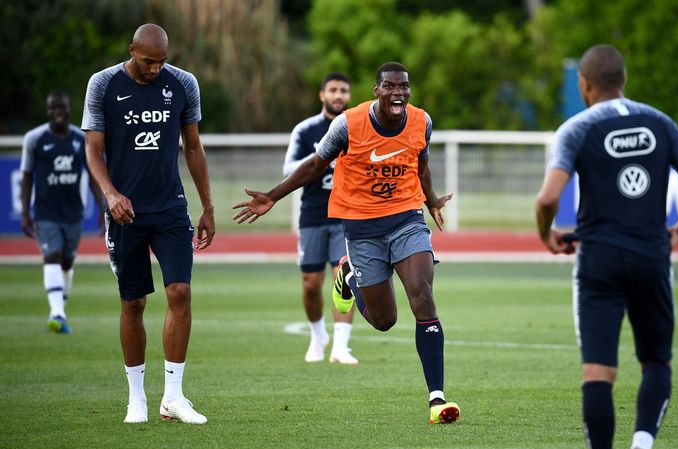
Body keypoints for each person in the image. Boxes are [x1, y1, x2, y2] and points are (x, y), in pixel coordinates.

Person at [234, 61, 460, 424]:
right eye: (389, 86)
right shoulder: (348, 124)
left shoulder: (423, 121)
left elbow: (421, 164)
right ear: (376, 90)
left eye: (403, 86)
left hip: (406, 219)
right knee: (384, 320)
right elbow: (313, 166)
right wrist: (273, 196)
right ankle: (349, 276)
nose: (397, 92)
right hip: (361, 226)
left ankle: (438, 399)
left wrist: (430, 199)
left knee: (423, 295)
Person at [535, 45, 678, 449]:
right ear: (625, 80)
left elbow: (547, 199)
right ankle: (641, 447)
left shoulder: (576, 128)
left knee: (599, 370)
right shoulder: (659, 122)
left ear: (584, 84)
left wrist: (547, 235)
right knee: (656, 362)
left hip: (598, 259)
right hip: (653, 255)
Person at [82, 23, 215, 424]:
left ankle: (173, 397)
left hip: (170, 208)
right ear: (131, 51)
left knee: (180, 292)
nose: (155, 69)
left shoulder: (183, 84)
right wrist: (111, 195)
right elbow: (92, 149)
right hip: (125, 212)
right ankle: (136, 398)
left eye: (162, 62)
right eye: (147, 61)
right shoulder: (103, 84)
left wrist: (207, 206)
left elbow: (193, 147)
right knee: (133, 302)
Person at [283, 72, 358, 365]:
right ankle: (318, 336)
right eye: (333, 90)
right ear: (322, 95)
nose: (338, 95)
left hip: (347, 215)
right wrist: (321, 158)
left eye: (343, 90)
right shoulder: (306, 129)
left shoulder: (357, 126)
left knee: (345, 279)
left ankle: (341, 346)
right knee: (310, 283)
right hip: (313, 214)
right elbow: (288, 168)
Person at [20, 90, 104, 334]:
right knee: (52, 257)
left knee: (67, 261)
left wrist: (103, 208)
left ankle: (60, 309)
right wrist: (26, 212)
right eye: (52, 108)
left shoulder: (81, 139)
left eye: (62, 108)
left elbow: (92, 176)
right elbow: (26, 177)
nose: (58, 112)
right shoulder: (34, 139)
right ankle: (56, 313)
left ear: (69, 109)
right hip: (45, 213)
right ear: (48, 111)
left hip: (73, 213)